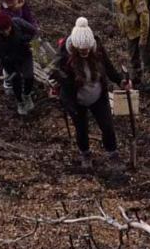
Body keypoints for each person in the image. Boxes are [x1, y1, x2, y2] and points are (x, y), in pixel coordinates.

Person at [54, 17, 128, 173]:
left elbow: (107, 66)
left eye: (87, 49)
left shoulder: (97, 48)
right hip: (76, 100)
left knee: (107, 126)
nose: (85, 52)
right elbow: (57, 76)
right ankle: (85, 154)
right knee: (81, 129)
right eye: (81, 50)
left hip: (98, 96)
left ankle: (112, 153)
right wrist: (60, 84)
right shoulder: (64, 57)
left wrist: (120, 81)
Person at [0, 11, 36, 116]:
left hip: (24, 55)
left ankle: (27, 95)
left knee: (29, 76)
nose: (6, 32)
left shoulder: (18, 23)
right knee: (16, 81)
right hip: (8, 61)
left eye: (8, 29)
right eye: (3, 31)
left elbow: (33, 31)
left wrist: (26, 41)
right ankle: (20, 102)